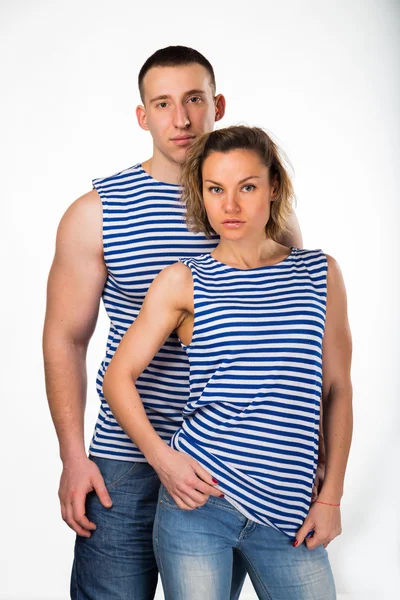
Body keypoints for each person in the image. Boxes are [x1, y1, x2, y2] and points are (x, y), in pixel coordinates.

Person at [43, 47, 303, 599]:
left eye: (194, 100)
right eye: (163, 104)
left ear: (219, 105)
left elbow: (296, 336)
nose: (180, 119)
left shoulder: (258, 211)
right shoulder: (97, 212)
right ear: (143, 115)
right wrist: (72, 456)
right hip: (126, 460)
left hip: (231, 458)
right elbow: (66, 338)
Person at [103, 125, 353, 600]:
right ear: (201, 193)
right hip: (198, 507)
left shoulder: (321, 273)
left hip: (291, 513)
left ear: (274, 186)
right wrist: (163, 460)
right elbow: (119, 377)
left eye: (248, 187)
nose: (230, 206)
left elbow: (338, 387)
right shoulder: (183, 281)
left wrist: (331, 496)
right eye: (216, 189)